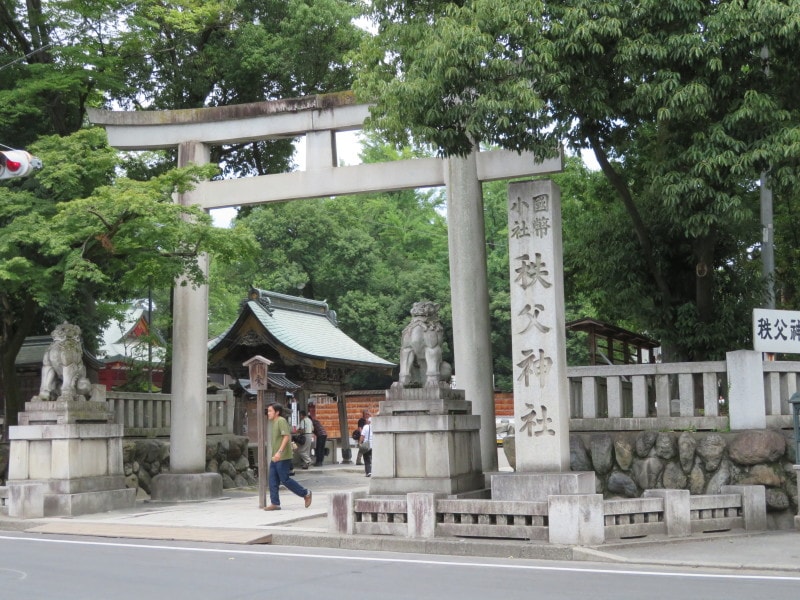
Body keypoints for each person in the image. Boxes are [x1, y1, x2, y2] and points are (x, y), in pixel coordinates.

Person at [265, 402, 312, 511]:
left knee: (284, 479)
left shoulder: (281, 421)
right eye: (268, 411)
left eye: (270, 411)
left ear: (277, 412)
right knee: (272, 479)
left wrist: (279, 452)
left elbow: (286, 437)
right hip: (275, 456)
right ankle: (275, 503)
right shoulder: (274, 422)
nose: (268, 413)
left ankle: (306, 493)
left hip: (283, 456)